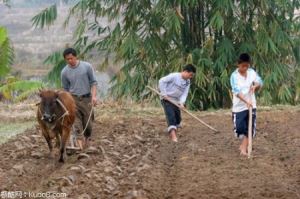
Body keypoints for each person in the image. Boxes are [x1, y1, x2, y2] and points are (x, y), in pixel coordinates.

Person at [61, 48, 98, 150]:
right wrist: (66, 103)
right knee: (76, 124)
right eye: (67, 59)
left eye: (71, 58)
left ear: (75, 57)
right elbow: (65, 90)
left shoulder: (86, 67)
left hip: (86, 99)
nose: (70, 61)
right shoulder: (64, 72)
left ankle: (87, 141)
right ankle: (80, 148)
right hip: (74, 100)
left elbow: (94, 83)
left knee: (88, 124)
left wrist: (94, 97)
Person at [230, 53, 263, 156]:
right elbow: (236, 91)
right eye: (243, 66)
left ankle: (243, 148)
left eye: (247, 66)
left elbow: (260, 81)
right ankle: (243, 145)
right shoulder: (234, 76)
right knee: (239, 129)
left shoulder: (251, 72)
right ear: (238, 64)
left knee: (250, 129)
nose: (245, 68)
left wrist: (255, 86)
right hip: (239, 107)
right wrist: (246, 101)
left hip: (251, 105)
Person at [159, 64, 196, 142]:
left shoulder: (187, 82)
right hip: (167, 99)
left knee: (178, 118)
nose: (191, 77)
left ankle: (174, 130)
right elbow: (161, 81)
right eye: (190, 75)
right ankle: (173, 136)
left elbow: (185, 93)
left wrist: (182, 103)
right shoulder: (174, 76)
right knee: (171, 116)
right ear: (185, 71)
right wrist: (164, 94)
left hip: (176, 100)